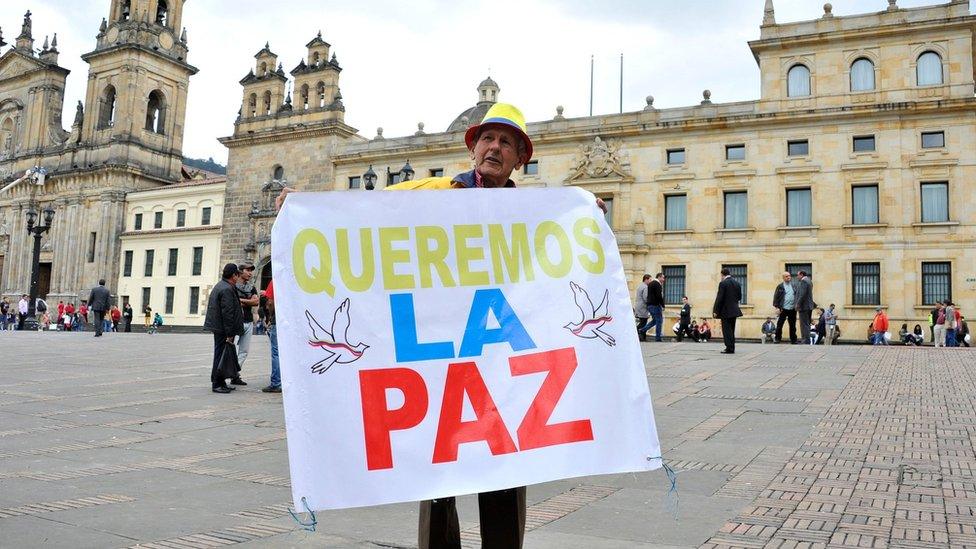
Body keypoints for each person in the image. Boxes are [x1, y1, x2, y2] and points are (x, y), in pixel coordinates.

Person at [274, 102, 607, 549]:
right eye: (488, 138)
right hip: (439, 356)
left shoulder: (534, 209)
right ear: (473, 149)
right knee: (437, 477)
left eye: (506, 142)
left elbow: (563, 258)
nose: (495, 147)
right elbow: (361, 212)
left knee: (507, 469)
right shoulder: (435, 190)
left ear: (520, 159)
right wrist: (305, 205)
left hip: (500, 360)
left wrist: (588, 216)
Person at [204, 263, 246, 394]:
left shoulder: (222, 286)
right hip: (223, 329)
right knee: (220, 355)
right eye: (237, 275)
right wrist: (230, 333)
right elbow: (227, 313)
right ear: (234, 275)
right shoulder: (227, 289)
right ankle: (217, 383)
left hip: (219, 327)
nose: (238, 278)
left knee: (221, 354)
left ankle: (220, 381)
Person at [234, 262, 259, 384]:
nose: (250, 273)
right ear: (240, 271)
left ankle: (234, 373)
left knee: (244, 351)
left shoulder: (251, 287)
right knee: (231, 349)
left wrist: (241, 300)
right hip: (235, 321)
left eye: (251, 270)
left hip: (248, 321)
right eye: (247, 270)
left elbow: (256, 302)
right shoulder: (233, 286)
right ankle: (231, 373)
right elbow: (233, 302)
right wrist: (249, 300)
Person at [712, 267, 743, 354]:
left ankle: (729, 348)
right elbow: (739, 297)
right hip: (735, 310)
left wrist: (715, 310)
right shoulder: (737, 283)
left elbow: (719, 298)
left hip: (725, 311)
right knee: (732, 329)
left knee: (726, 330)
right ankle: (732, 347)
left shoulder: (723, 283)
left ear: (722, 274)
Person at [260, 279, 281, 393]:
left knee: (276, 352)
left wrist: (271, 315)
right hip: (294, 323)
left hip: (278, 321)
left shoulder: (276, 280)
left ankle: (276, 383)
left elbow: (270, 302)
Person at [772, 272, 798, 344]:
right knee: (780, 324)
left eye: (789, 276)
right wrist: (777, 307)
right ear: (783, 278)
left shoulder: (794, 285)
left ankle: (793, 339)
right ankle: (777, 339)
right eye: (787, 276)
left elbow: (797, 295)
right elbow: (776, 297)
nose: (789, 277)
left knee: (793, 325)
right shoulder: (780, 286)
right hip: (783, 309)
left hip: (792, 308)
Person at [639, 273, 666, 342]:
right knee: (659, 321)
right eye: (663, 278)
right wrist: (662, 305)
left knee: (655, 320)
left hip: (650, 305)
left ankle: (642, 330)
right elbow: (659, 296)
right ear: (659, 277)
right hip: (655, 305)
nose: (663, 279)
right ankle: (658, 338)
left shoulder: (651, 283)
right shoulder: (657, 284)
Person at [795, 271, 815, 345]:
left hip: (804, 306)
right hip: (809, 306)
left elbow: (802, 294)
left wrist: (798, 304)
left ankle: (805, 340)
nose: (797, 277)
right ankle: (806, 340)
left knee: (804, 324)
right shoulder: (809, 281)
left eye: (798, 275)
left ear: (801, 275)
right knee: (807, 324)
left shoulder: (804, 281)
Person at [634, 274, 651, 342]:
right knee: (643, 323)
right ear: (646, 279)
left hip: (638, 306)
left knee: (642, 322)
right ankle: (641, 336)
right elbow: (646, 298)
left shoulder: (639, 286)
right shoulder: (645, 287)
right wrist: (650, 304)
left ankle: (642, 337)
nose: (650, 281)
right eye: (650, 280)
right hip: (643, 307)